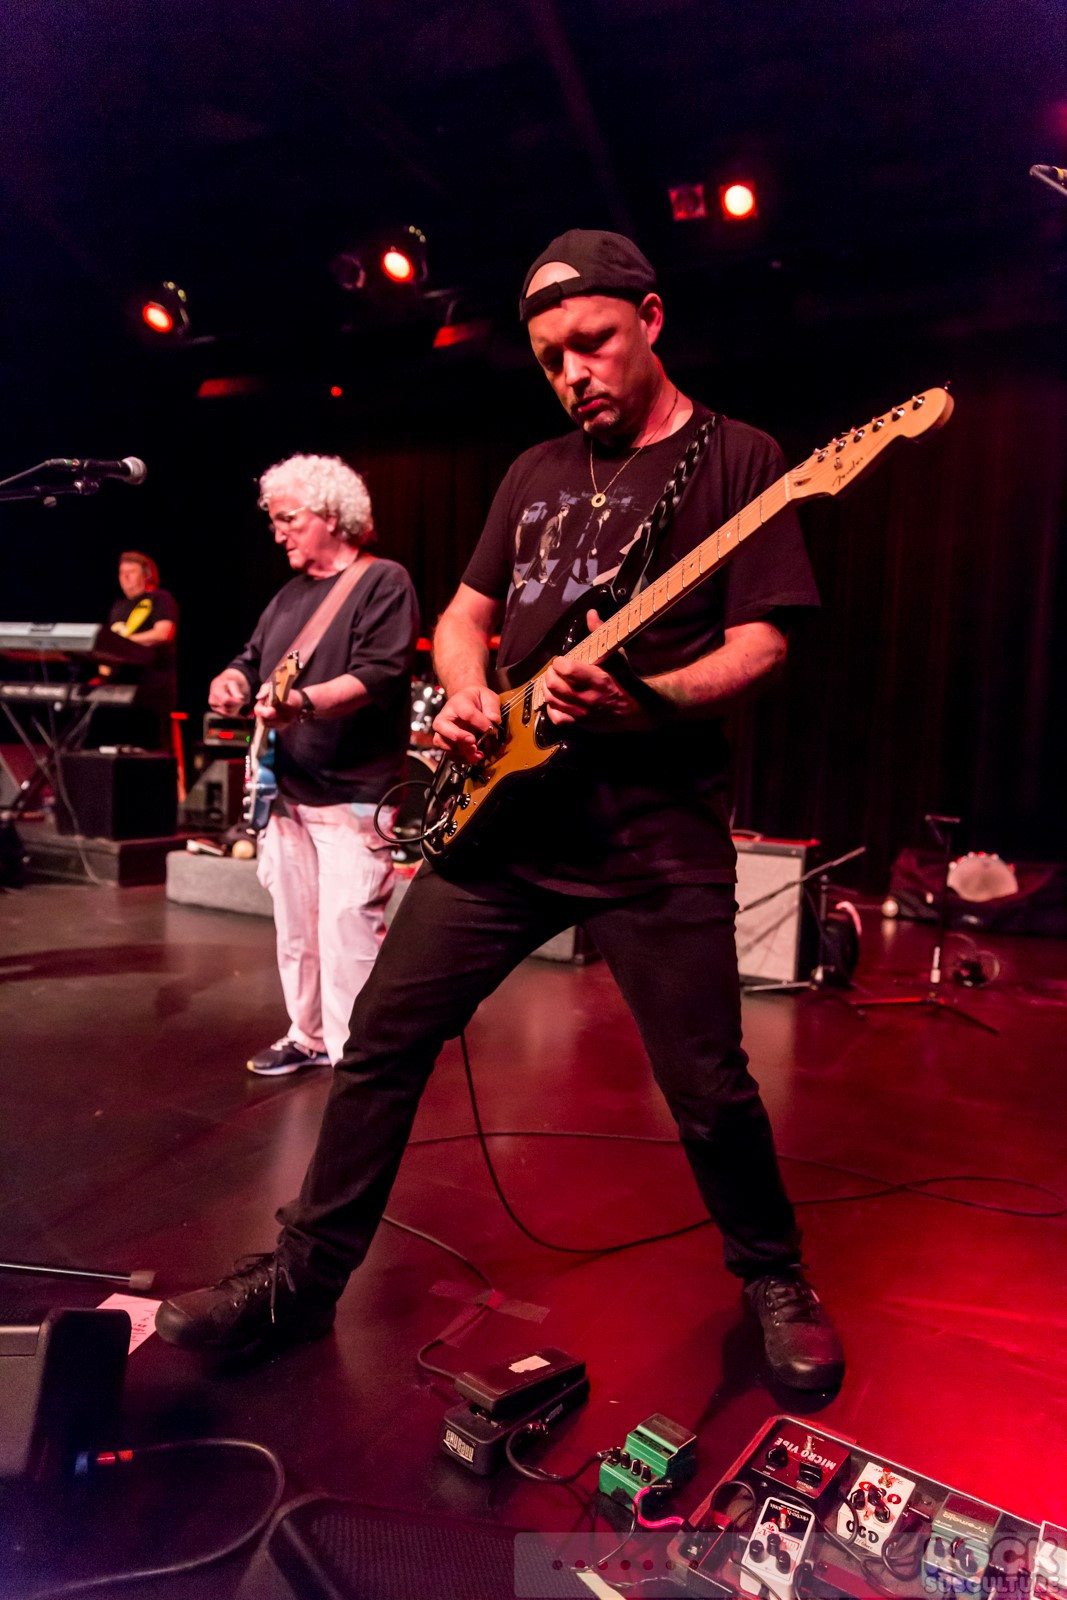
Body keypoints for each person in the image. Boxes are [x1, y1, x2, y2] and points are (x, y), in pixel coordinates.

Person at [156, 232, 845, 1391]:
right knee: (380, 1042)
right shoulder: (533, 471)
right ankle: (302, 1281)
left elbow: (763, 642)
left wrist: (650, 697)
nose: (573, 373)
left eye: (592, 343)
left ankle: (773, 1275)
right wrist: (470, 690)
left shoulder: (741, 460)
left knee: (709, 1085)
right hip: (503, 827)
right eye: (549, 359)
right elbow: (465, 617)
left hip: (651, 836)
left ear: (650, 319)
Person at [207, 455, 420, 1076]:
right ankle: (307, 1035)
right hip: (286, 789)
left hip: (352, 790)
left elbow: (380, 674)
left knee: (349, 927)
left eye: (288, 519)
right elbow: (251, 659)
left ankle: (357, 1058)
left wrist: (300, 702)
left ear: (331, 514)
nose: (278, 533)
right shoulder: (288, 595)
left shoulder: (384, 581)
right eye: (274, 521)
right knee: (296, 928)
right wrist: (231, 680)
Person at [99, 550, 179, 747]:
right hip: (117, 687)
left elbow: (163, 633)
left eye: (131, 572)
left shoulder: (160, 599)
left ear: (147, 575)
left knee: (149, 746)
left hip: (151, 688)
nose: (125, 577)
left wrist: (122, 643)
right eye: (121, 572)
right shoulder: (118, 606)